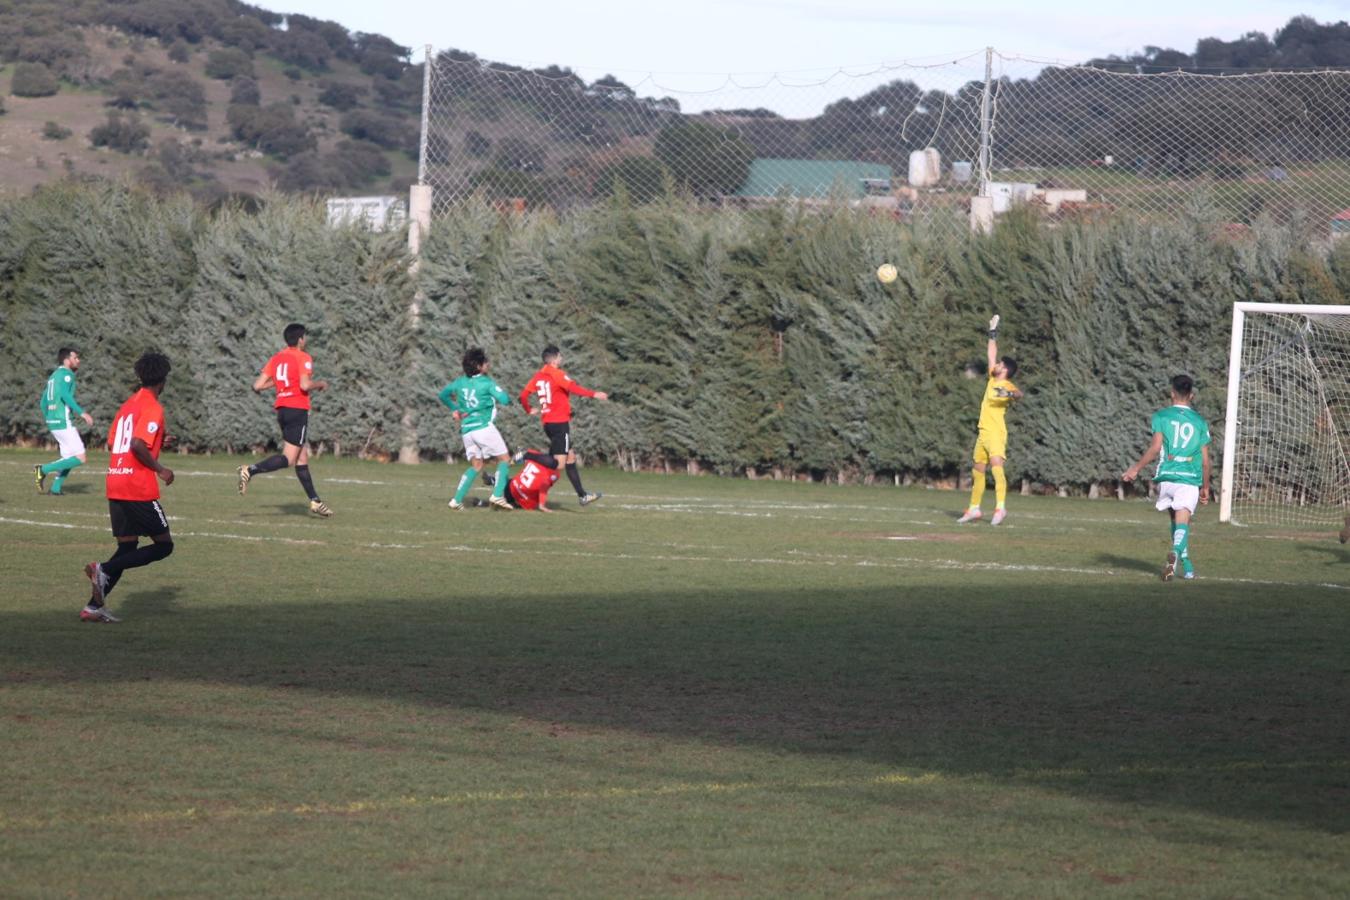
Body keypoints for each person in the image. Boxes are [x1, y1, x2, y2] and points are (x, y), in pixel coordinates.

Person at [82, 352, 176, 623]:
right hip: (137, 485)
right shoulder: (153, 407)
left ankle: (92, 608)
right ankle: (103, 569)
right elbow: (136, 444)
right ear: (164, 380)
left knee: (127, 547)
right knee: (163, 546)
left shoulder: (128, 405)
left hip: (115, 480)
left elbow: (115, 444)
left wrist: (158, 441)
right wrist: (160, 469)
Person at [1122, 374, 1212, 581]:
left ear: (1172, 393)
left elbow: (1155, 449)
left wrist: (1135, 469)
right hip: (1188, 478)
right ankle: (1175, 554)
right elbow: (1206, 461)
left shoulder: (1161, 416)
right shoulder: (1199, 422)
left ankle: (1187, 566)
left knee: (1176, 521)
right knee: (1183, 523)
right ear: (1191, 395)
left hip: (1167, 477)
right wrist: (1205, 487)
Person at [237, 323, 332, 517]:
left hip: (282, 410)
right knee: (289, 459)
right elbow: (305, 385)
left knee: (301, 457)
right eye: (304, 337)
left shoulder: (277, 358)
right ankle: (250, 470)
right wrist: (320, 384)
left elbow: (257, 386)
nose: (305, 340)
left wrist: (280, 383)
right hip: (297, 410)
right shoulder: (303, 357)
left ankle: (315, 501)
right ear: (300, 339)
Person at [519, 345, 609, 506]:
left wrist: (528, 409)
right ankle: (526, 456)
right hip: (559, 424)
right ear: (554, 360)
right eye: (560, 356)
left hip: (548, 423)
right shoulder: (557, 374)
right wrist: (594, 394)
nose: (562, 359)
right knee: (557, 465)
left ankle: (582, 495)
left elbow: (523, 395)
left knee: (570, 458)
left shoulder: (539, 376)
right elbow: (573, 388)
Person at [958, 315, 1022, 526]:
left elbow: (1019, 394)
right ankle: (974, 509)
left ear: (1005, 371)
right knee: (978, 471)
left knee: (996, 468)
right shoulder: (993, 378)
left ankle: (1000, 507)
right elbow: (991, 353)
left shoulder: (1007, 385)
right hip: (983, 433)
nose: (997, 365)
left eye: (1001, 364)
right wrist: (992, 331)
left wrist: (1010, 394)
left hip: (996, 433)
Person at [440, 347, 514, 511]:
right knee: (504, 459)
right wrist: (503, 397)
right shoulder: (486, 383)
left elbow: (443, 395)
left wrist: (456, 409)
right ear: (479, 366)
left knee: (477, 466)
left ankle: (457, 500)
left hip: (467, 430)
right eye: (485, 362)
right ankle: (497, 495)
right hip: (483, 428)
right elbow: (504, 399)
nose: (488, 364)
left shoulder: (460, 382)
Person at [34, 347, 95, 496]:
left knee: (69, 457)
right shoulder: (67, 375)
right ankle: (42, 470)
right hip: (63, 420)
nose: (78, 360)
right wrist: (82, 413)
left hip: (53, 422)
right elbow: (64, 395)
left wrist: (49, 417)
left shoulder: (53, 376)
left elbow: (43, 402)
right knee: (80, 457)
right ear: (67, 360)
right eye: (75, 358)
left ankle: (55, 489)